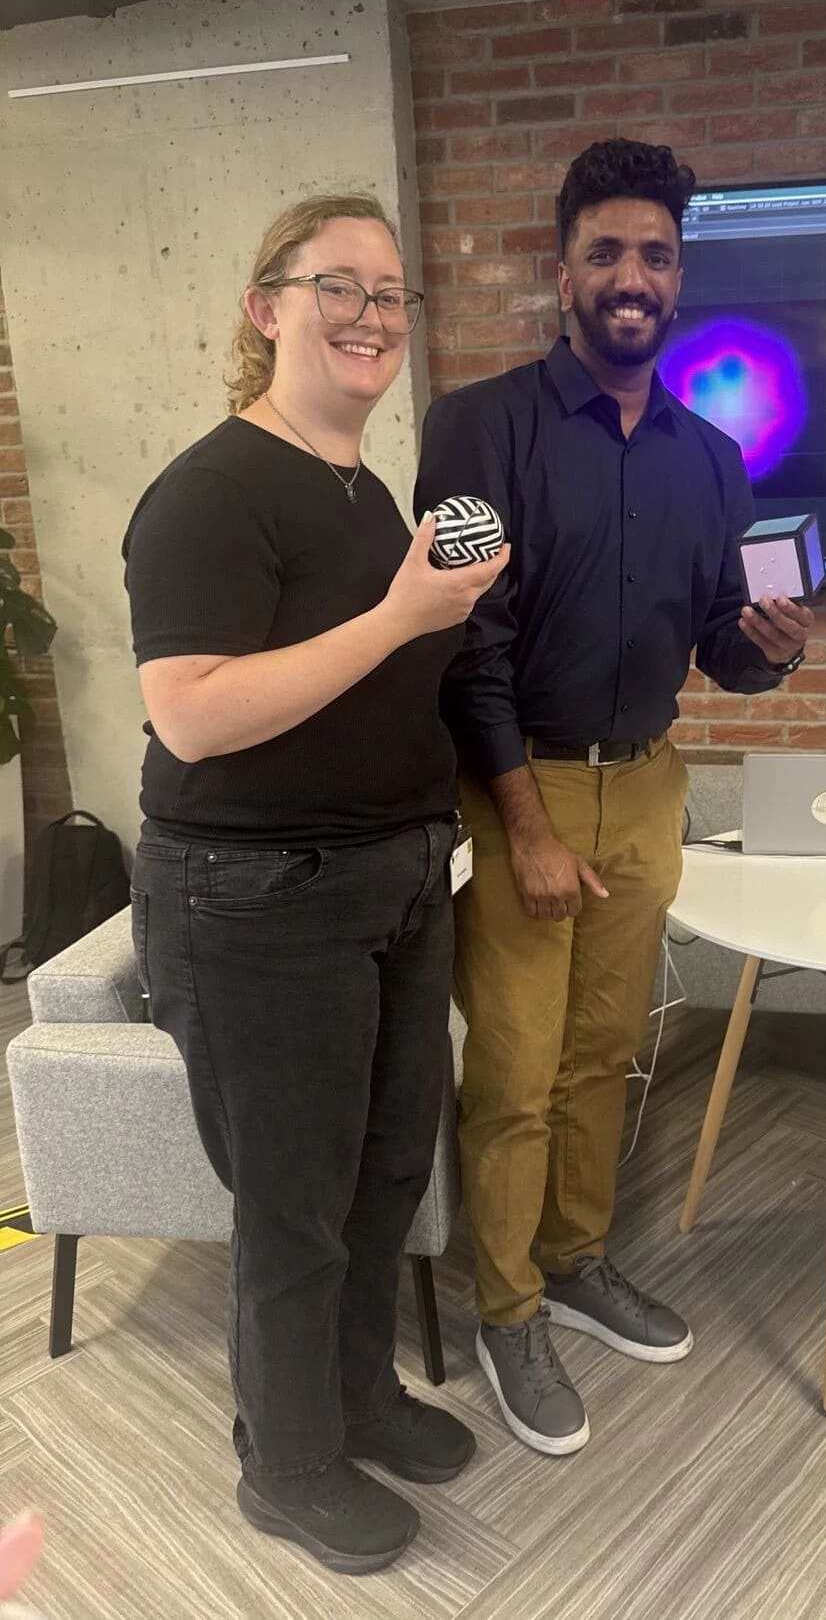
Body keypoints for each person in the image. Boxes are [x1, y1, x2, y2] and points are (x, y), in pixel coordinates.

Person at [123, 194, 507, 1574]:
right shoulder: (214, 490)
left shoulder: (363, 491)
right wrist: (404, 615)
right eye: (335, 285)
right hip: (260, 899)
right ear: (264, 307)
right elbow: (196, 716)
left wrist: (442, 628)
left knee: (386, 1170)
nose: (369, 314)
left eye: (392, 294)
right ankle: (285, 1463)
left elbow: (366, 683)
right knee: (293, 1200)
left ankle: (354, 1401)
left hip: (396, 886)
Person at [415, 138, 813, 1456]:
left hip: (647, 791)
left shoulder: (712, 457)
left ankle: (576, 1261)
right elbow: (462, 645)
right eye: (606, 251)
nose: (631, 275)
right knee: (518, 1074)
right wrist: (524, 826)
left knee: (606, 1056)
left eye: (654, 254)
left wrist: (759, 655)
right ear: (564, 268)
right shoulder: (481, 426)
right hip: (517, 786)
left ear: (676, 275)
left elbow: (716, 643)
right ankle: (507, 1303)